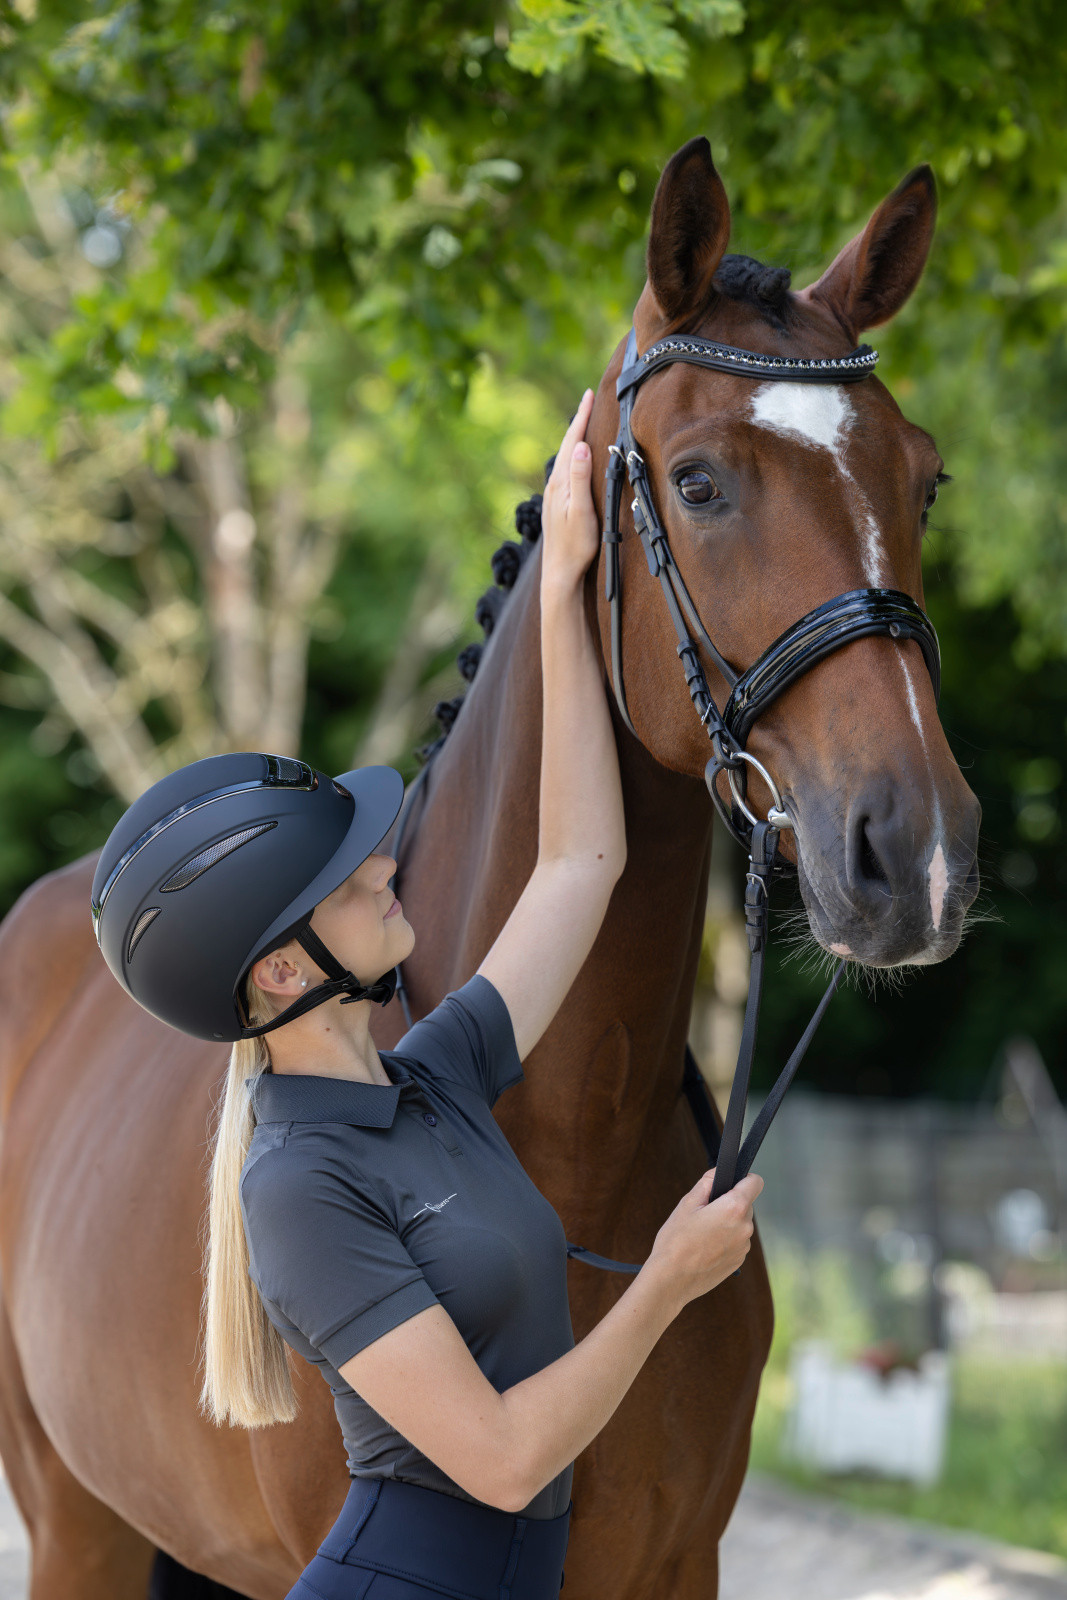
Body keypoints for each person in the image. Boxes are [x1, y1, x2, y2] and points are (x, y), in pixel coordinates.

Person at [90, 390, 763, 1600]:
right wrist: (665, 1277)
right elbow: (502, 1462)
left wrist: (559, 585)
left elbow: (580, 866)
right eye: (350, 879)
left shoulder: (432, 1076)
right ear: (284, 972)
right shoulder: (296, 1185)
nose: (388, 858)